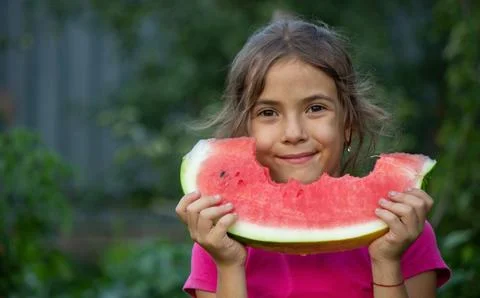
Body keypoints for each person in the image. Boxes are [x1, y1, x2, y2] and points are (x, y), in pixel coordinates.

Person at [175, 18, 450, 298]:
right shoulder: (217, 238)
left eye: (315, 108)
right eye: (268, 113)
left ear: (348, 124)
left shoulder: (405, 229)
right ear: (245, 132)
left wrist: (386, 261)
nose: (294, 133)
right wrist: (229, 265)